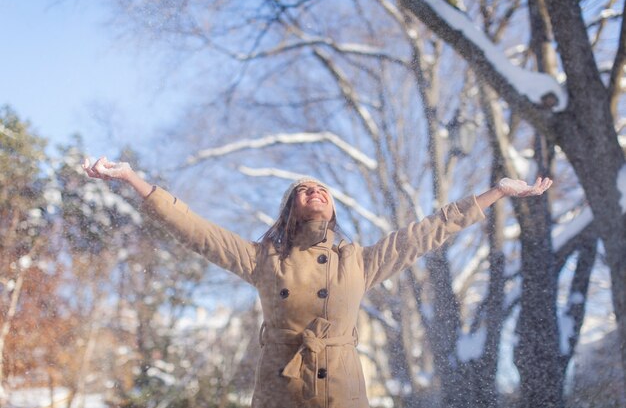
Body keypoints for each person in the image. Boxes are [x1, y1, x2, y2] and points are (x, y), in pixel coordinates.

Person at [83, 157, 552, 408]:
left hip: (342, 395)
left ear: (332, 208)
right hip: (279, 393)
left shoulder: (358, 262)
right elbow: (195, 229)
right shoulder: (263, 258)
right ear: (291, 208)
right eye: (304, 189)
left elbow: (428, 232)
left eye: (322, 190)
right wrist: (131, 179)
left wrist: (495, 193)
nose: (316, 192)